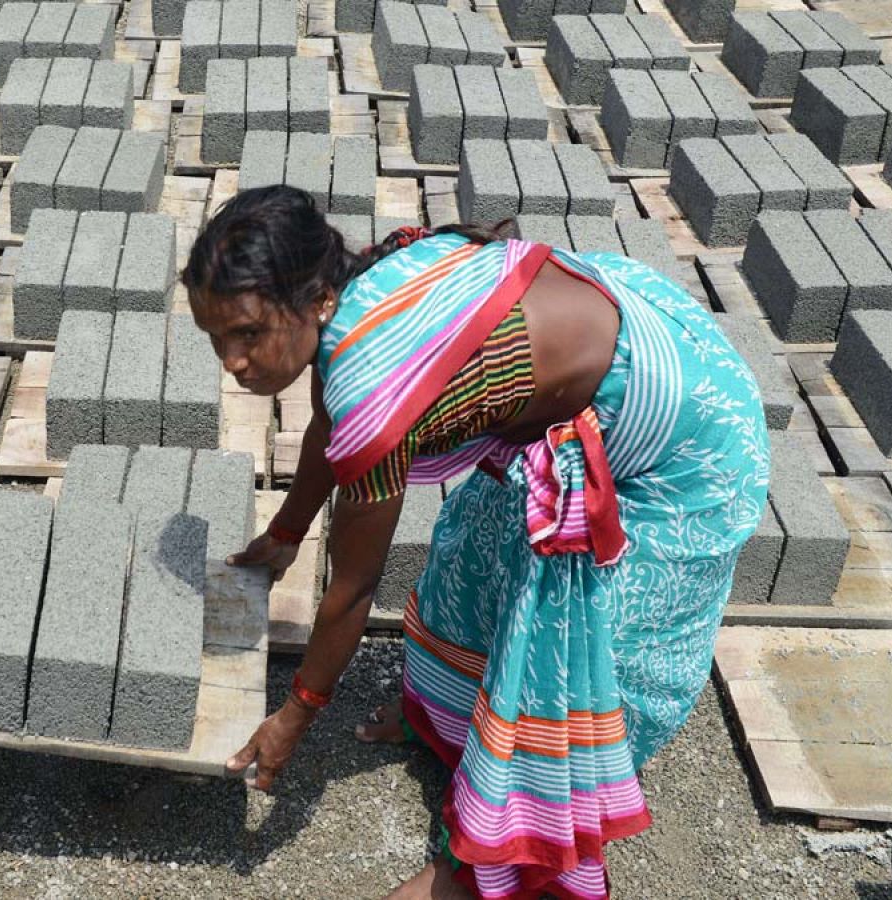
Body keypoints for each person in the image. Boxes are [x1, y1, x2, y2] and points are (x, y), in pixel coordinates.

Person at [186, 187, 770, 900]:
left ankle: (505, 851)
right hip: (608, 338)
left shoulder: (374, 389)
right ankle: (452, 717)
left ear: (313, 299)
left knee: (562, 638)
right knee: (479, 546)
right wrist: (285, 533)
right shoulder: (351, 292)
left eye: (247, 334)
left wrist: (296, 714)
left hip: (679, 422)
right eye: (216, 338)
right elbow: (324, 428)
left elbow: (352, 589)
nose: (232, 362)